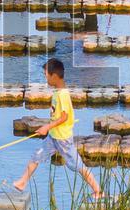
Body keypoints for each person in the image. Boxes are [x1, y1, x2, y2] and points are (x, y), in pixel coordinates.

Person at [12, 59, 102, 199]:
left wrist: (47, 126)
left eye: (46, 75)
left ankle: (97, 190)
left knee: (77, 165)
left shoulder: (63, 95)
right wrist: (49, 128)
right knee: (36, 156)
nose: (45, 78)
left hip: (63, 138)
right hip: (53, 137)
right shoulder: (57, 92)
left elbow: (64, 117)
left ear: (54, 76)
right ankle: (22, 182)